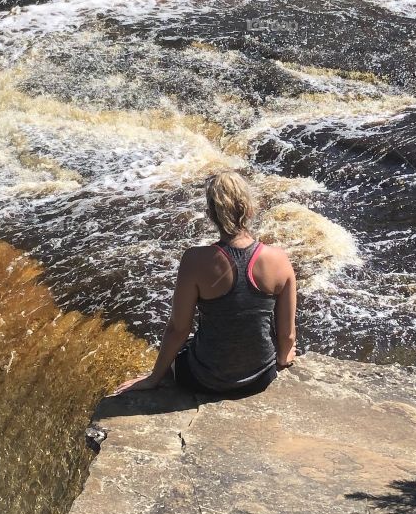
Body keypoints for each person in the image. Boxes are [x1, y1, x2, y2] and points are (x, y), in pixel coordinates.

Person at [114, 169, 296, 396]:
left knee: (180, 358)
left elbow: (178, 330)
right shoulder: (279, 259)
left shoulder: (194, 260)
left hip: (204, 379)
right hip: (260, 378)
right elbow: (287, 336)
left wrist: (154, 377)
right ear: (250, 209)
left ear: (211, 214)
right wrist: (284, 357)